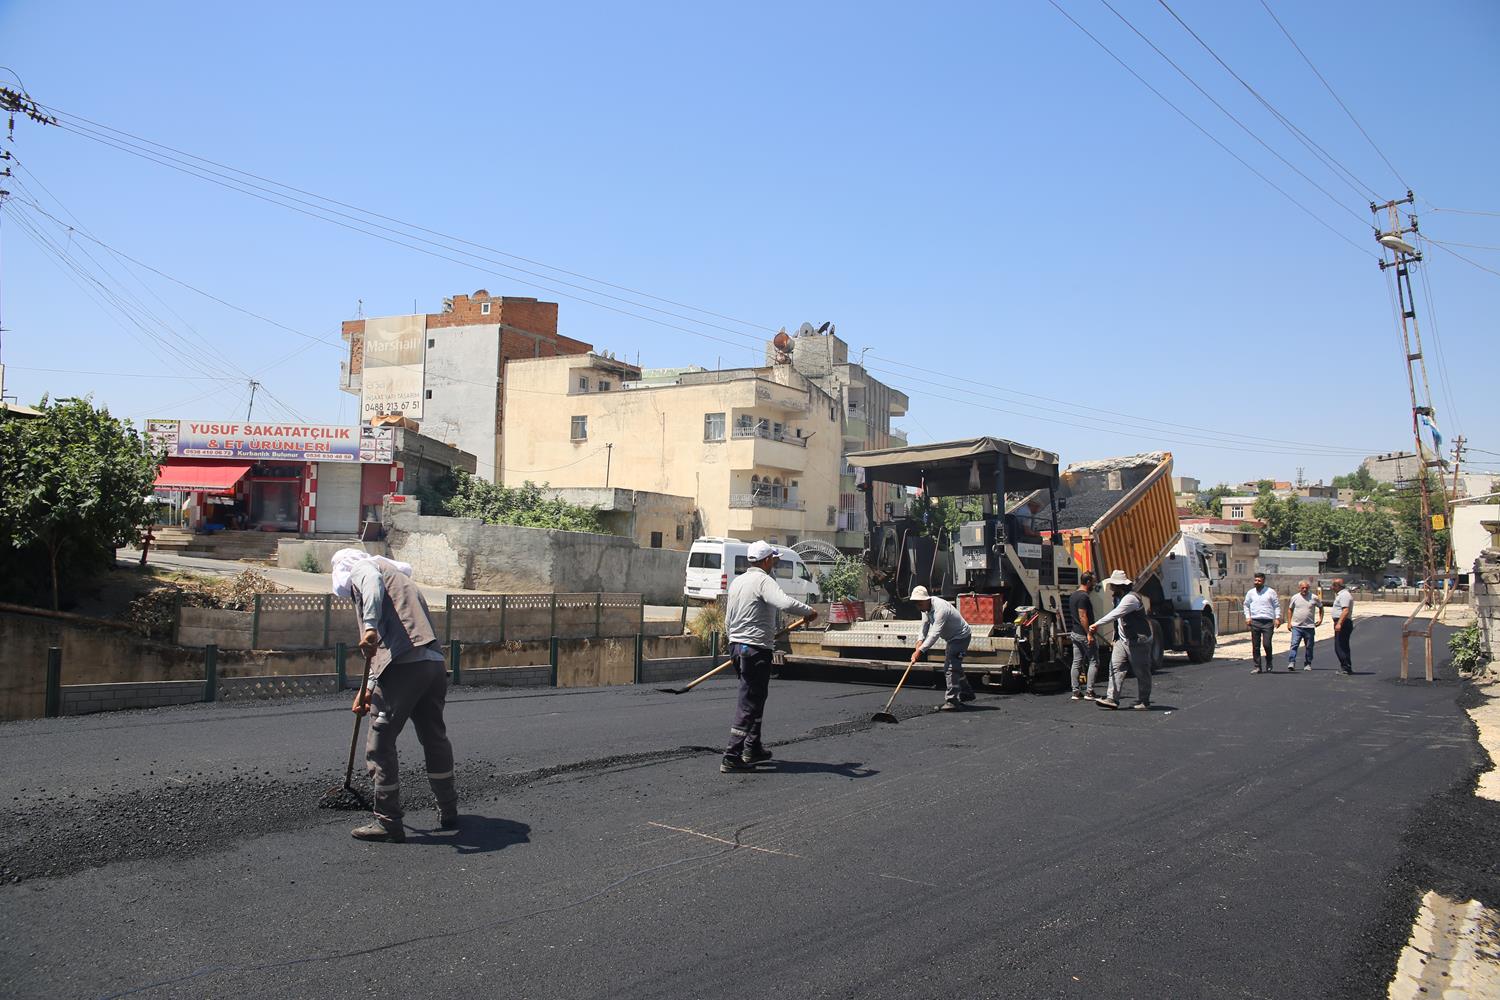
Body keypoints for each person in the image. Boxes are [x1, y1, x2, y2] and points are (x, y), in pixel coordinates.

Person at [332, 548, 458, 843]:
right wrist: (367, 689)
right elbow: (399, 637)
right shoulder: (401, 579)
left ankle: (388, 821)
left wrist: (371, 626)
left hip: (404, 668)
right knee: (434, 737)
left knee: (380, 742)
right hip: (433, 665)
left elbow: (371, 586)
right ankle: (449, 809)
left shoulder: (365, 568)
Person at [720, 540, 816, 773]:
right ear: (765, 561)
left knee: (756, 698)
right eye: (773, 559)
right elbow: (783, 602)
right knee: (749, 701)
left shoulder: (738, 581)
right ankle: (732, 756)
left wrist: (733, 642)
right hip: (754, 649)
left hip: (739, 646)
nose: (775, 562)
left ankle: (752, 748)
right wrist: (809, 611)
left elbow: (727, 619)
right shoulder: (764, 580)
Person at [1088, 569, 1153, 710]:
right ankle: (1112, 699)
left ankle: (1144, 700)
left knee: (1141, 671)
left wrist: (1096, 624)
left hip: (1137, 641)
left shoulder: (1131, 598)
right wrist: (1114, 638)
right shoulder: (1117, 598)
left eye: (1113, 585)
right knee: (1115, 667)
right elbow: (1118, 621)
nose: (1110, 587)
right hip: (1122, 641)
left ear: (1119, 586)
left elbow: (1115, 614)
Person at [908, 585, 976, 710]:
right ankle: (966, 692)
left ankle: (952, 700)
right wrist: (919, 641)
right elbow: (924, 626)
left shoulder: (941, 609)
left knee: (950, 667)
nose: (918, 607)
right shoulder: (925, 609)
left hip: (960, 637)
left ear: (926, 599)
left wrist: (921, 651)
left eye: (919, 603)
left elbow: (935, 633)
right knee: (955, 666)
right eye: (916, 604)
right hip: (951, 638)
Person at [1067, 573, 1099, 701]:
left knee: (1076, 662)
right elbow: (1082, 616)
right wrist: (1089, 634)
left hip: (1075, 632)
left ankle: (1075, 692)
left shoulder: (1073, 595)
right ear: (1088, 582)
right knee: (1094, 661)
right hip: (1083, 634)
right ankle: (1089, 692)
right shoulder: (1083, 597)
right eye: (1094, 582)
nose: (1095, 584)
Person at [1243, 572, 1282, 674]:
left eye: (1259, 580)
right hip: (1255, 621)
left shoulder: (1270, 592)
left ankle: (1269, 662)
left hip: (1267, 622)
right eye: (1255, 580)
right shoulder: (1250, 593)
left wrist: (1277, 618)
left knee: (1267, 644)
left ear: (1263, 581)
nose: (1257, 582)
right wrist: (1248, 617)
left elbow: (1276, 605)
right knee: (1255, 645)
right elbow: (1246, 605)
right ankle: (1257, 666)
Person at [1284, 579, 1323, 671]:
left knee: (1309, 646)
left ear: (1309, 588)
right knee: (1294, 644)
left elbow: (1321, 607)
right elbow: (1290, 610)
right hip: (1297, 626)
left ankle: (1308, 663)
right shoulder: (1295, 597)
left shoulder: (1314, 598)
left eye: (1306, 588)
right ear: (1299, 588)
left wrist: (1320, 619)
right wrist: (1289, 623)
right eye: (1302, 588)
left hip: (1309, 627)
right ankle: (1291, 662)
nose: (1304, 589)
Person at [1330, 578, 1355, 674]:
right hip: (1341, 622)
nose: (1331, 587)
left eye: (1333, 585)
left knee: (1340, 646)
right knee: (1341, 645)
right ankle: (1346, 667)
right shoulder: (1341, 595)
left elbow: (1345, 610)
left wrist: (1339, 623)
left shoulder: (1344, 595)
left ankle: (1346, 668)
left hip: (1343, 623)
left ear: (1337, 586)